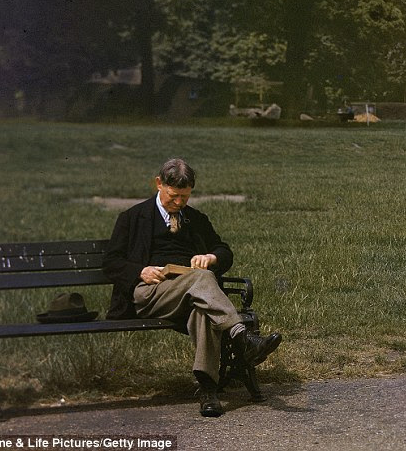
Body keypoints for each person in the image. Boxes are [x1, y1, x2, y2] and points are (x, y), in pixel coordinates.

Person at [102, 158, 282, 417]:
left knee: (204, 312)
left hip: (192, 294)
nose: (178, 203)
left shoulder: (195, 219)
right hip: (150, 292)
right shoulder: (133, 217)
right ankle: (242, 337)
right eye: (173, 196)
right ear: (158, 184)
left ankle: (208, 390)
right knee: (202, 278)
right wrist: (140, 271)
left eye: (185, 197)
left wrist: (212, 258)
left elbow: (224, 251)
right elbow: (110, 263)